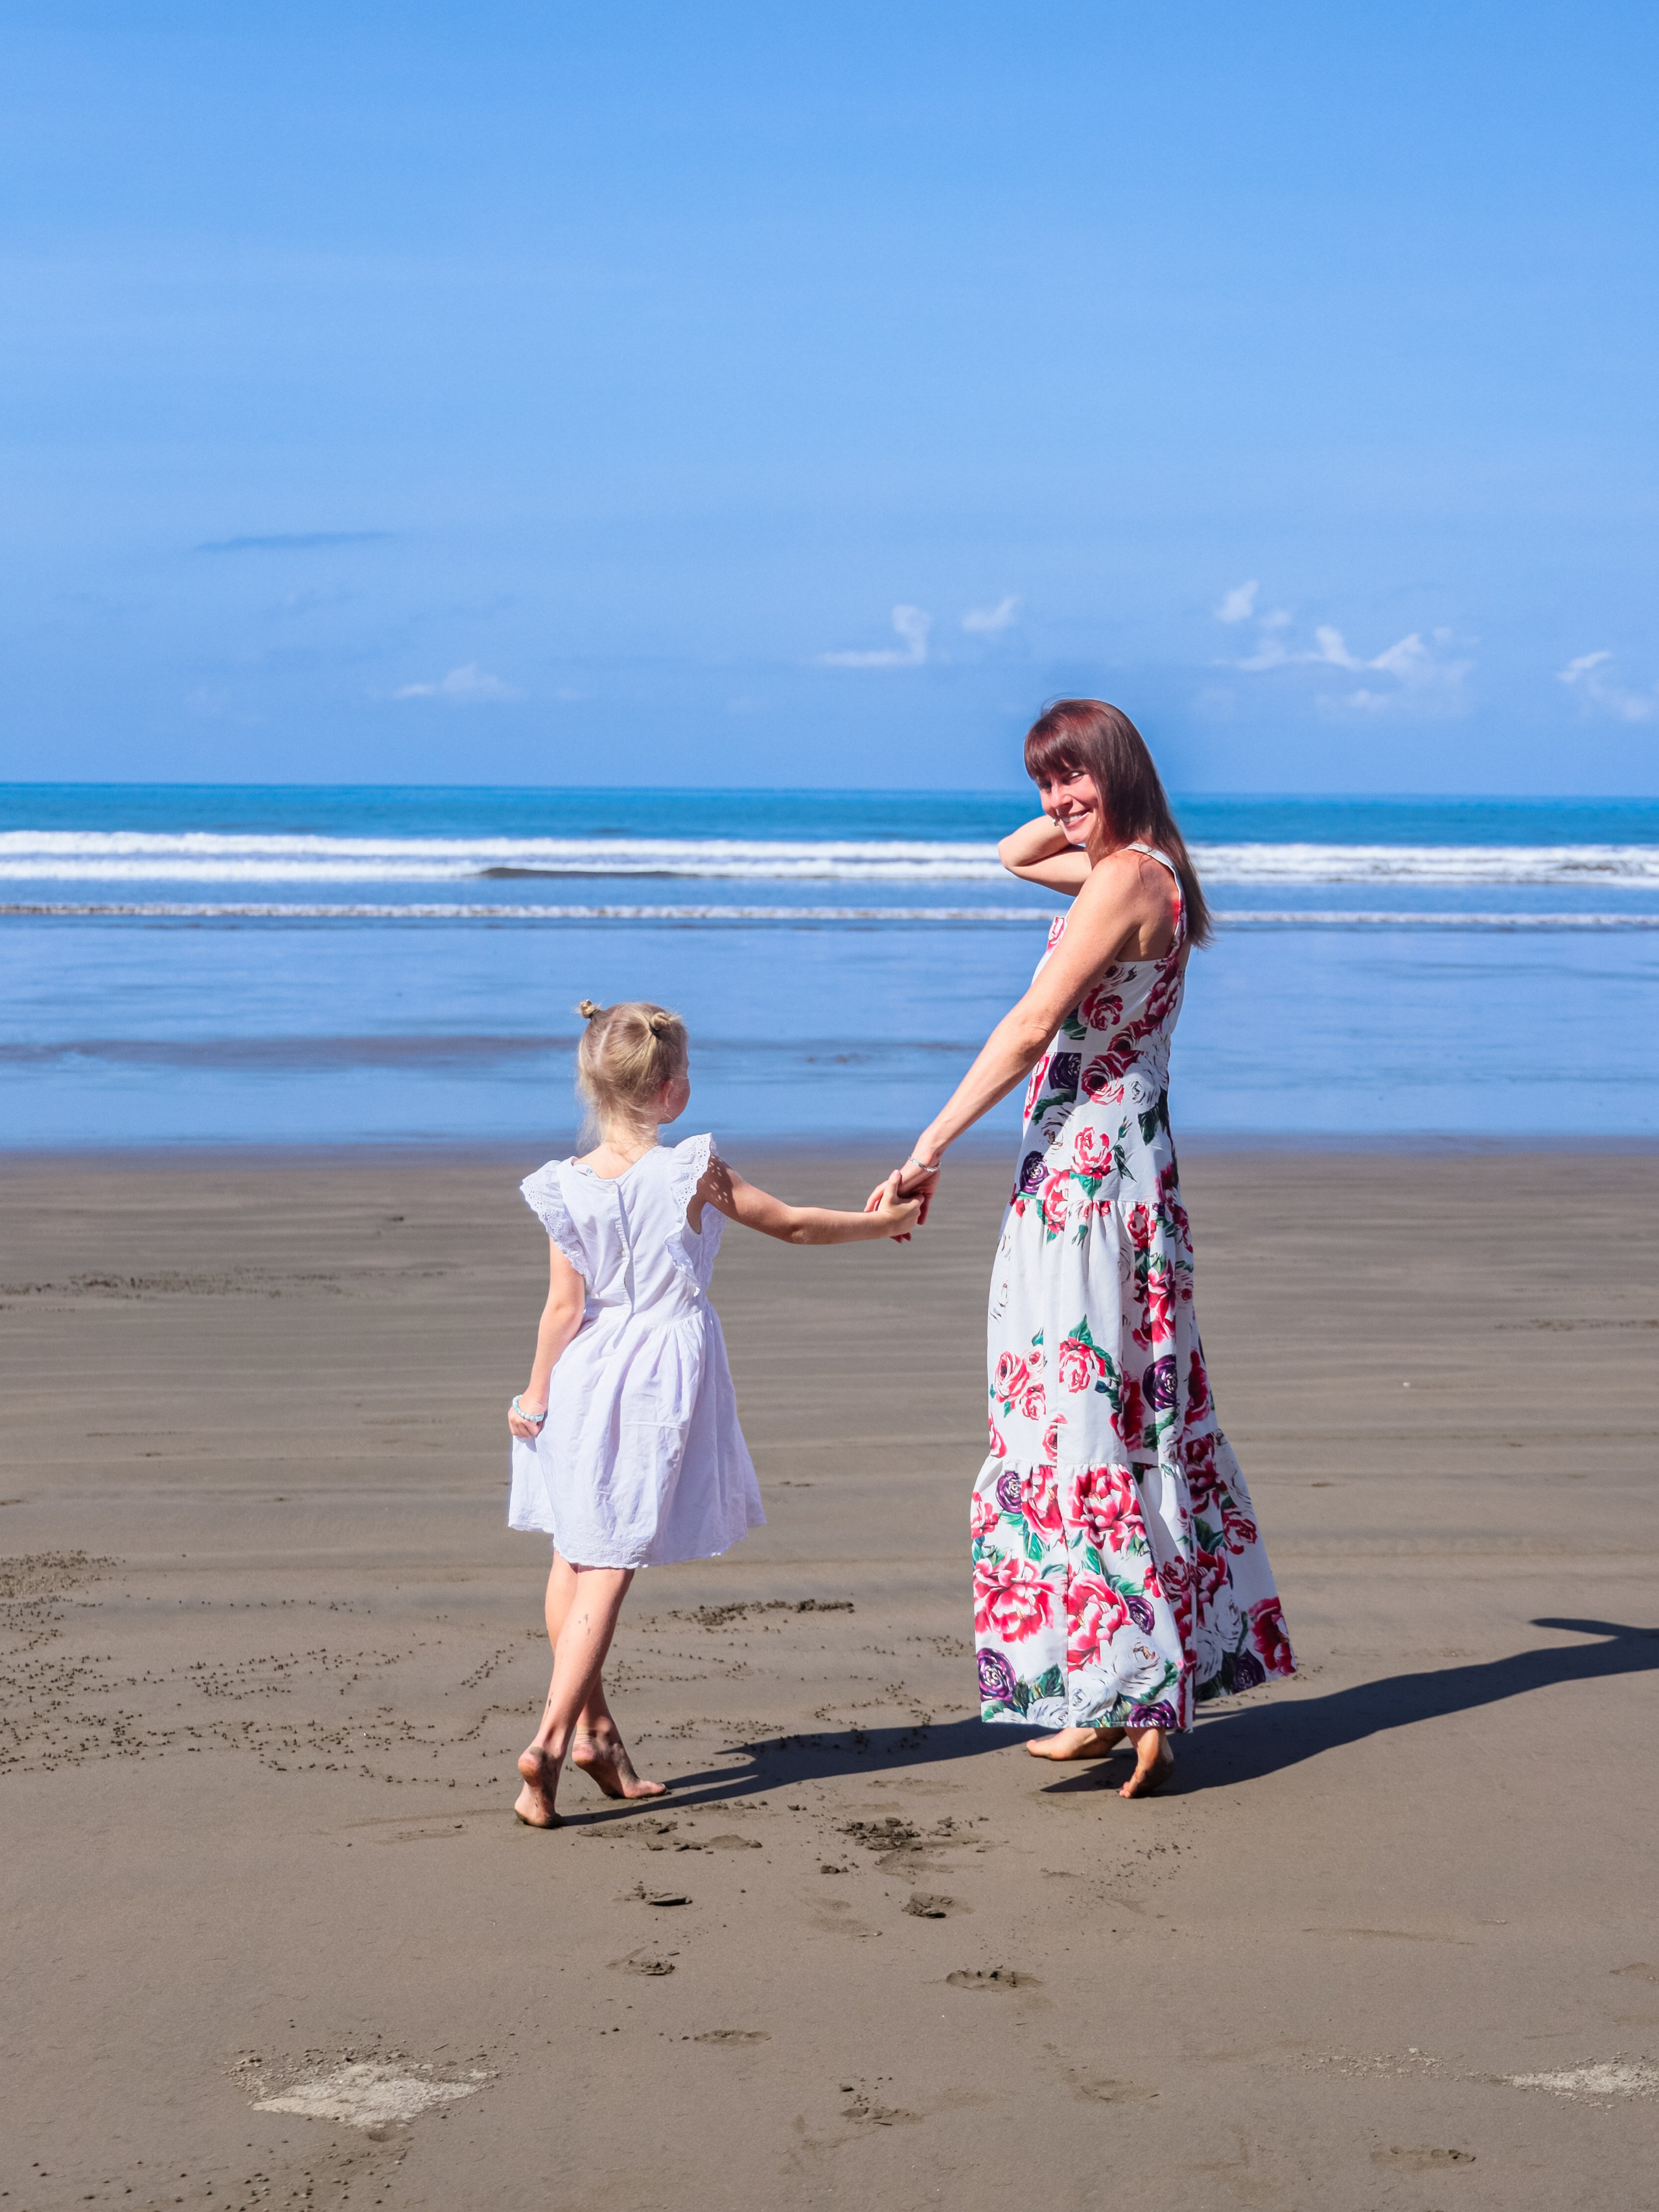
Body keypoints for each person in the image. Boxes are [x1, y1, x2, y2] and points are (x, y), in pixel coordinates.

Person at [871, 699, 1295, 1799]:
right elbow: (1013, 851)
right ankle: (1115, 1693)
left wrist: (928, 1140)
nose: (1056, 806)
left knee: (1082, 1411)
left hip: (1089, 1178)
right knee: (1107, 1406)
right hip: (1106, 1167)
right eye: (1048, 781)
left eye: (1075, 781)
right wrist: (1078, 795)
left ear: (1123, 773)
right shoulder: (1142, 873)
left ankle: (1137, 1688)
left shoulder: (1125, 879)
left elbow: (1027, 1026)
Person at [506, 997, 922, 1828]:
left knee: (573, 1548)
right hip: (657, 1369)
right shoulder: (691, 1167)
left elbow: (562, 1306)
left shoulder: (565, 1182)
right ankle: (549, 1740)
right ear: (673, 1093)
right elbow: (794, 1227)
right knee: (612, 1554)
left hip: (585, 1367)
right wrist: (887, 1221)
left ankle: (595, 1734)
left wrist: (535, 1393)